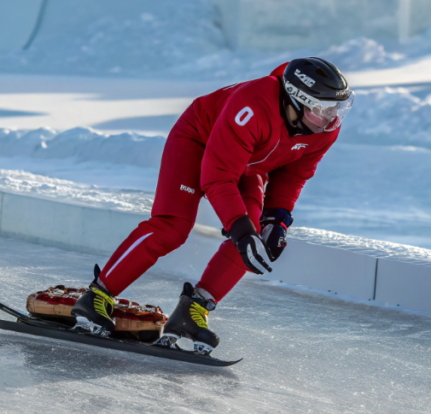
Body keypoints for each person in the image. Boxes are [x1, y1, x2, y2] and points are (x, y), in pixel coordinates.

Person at [71, 58, 353, 354]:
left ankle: (193, 311)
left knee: (254, 237)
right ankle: (97, 296)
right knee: (173, 227)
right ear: (296, 102)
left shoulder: (325, 129)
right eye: (324, 109)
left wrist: (277, 219)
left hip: (248, 162)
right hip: (197, 141)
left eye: (339, 108)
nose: (333, 118)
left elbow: (294, 175)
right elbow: (218, 177)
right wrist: (238, 227)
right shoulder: (252, 104)